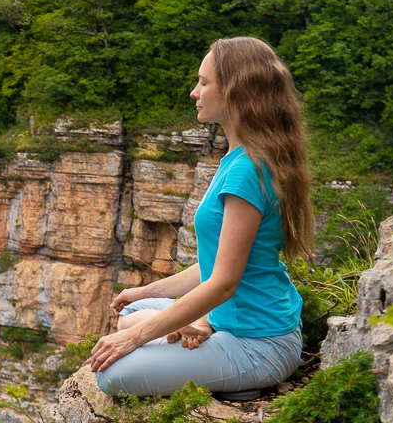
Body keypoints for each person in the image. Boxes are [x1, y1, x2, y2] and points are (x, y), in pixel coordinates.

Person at [88, 37, 314, 399]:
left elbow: (223, 283)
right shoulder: (242, 157)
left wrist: (135, 338)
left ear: (236, 92)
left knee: (112, 375)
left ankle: (239, 375)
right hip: (236, 320)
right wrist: (147, 292)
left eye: (204, 83)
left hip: (260, 344)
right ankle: (204, 328)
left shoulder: (247, 170)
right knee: (134, 309)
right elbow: (216, 265)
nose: (194, 92)